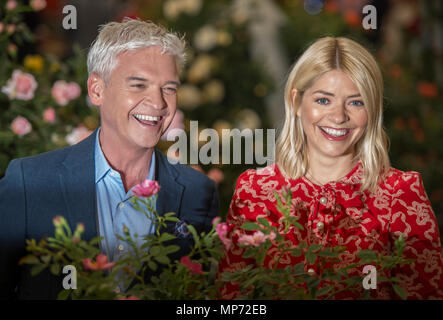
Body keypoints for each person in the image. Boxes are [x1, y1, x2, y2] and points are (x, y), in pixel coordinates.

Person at [0, 18, 219, 299]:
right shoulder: (29, 184)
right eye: (139, 85)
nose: (159, 103)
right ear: (97, 90)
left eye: (169, 88)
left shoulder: (198, 192)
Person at [218, 37, 443, 299]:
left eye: (356, 102)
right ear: (296, 102)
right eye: (323, 100)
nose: (339, 117)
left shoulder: (401, 194)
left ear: (372, 109)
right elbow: (231, 296)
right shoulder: (253, 190)